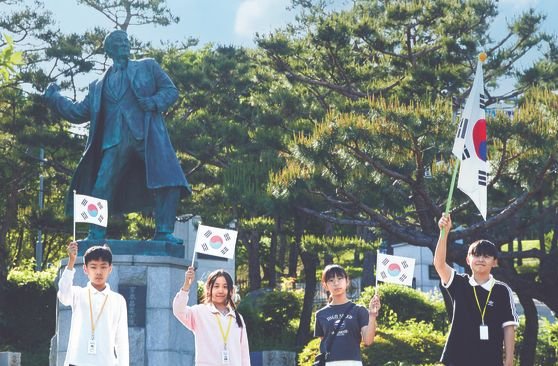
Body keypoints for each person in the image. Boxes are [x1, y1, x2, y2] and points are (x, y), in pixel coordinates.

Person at [44, 29, 190, 244]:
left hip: (147, 137)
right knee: (101, 187)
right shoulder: (97, 86)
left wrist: (154, 102)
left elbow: (170, 90)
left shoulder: (147, 66)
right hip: (113, 141)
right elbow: (78, 112)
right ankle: (95, 235)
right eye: (118, 42)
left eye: (125, 41)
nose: (124, 44)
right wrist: (55, 99)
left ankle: (164, 232)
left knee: (169, 181)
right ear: (109, 50)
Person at [434, 214, 519, 366]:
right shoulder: (459, 283)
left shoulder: (502, 290)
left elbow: (509, 327)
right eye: (476, 255)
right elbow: (439, 264)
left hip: (490, 359)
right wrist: (444, 232)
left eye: (486, 256)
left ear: (495, 262)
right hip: (457, 358)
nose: (480, 259)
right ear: (468, 260)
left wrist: (509, 361)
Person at [57, 241, 129, 366]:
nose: (99, 272)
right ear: (85, 269)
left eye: (103, 267)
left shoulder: (118, 300)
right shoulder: (77, 294)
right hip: (77, 362)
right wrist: (71, 262)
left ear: (110, 268)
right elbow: (63, 294)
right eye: (94, 267)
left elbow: (121, 340)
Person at [173, 267, 250, 366]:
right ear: (209, 289)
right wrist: (186, 285)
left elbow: (244, 354)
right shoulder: (199, 312)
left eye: (225, 287)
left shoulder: (237, 317)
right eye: (216, 286)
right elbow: (178, 310)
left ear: (231, 291)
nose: (220, 290)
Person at [314, 264, 381, 366]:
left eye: (340, 278)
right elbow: (324, 344)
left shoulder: (359, 310)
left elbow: (368, 341)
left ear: (347, 281)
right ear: (325, 285)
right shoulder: (321, 314)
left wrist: (372, 315)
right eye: (331, 280)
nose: (336, 283)